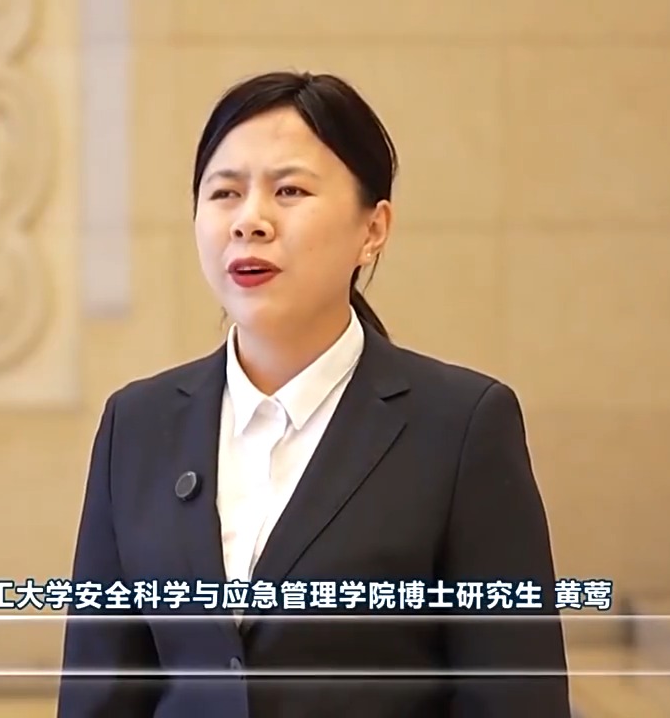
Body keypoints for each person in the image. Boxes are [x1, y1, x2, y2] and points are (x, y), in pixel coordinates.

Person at [57, 71, 570, 718]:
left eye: (290, 191)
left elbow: (514, 696)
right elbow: (101, 689)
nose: (250, 221)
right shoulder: (136, 424)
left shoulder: (461, 426)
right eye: (224, 192)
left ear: (373, 228)